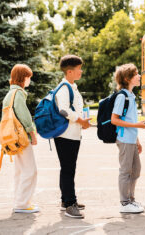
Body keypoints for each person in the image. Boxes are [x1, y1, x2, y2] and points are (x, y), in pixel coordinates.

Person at [54, 55, 91, 219]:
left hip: (72, 135)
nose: (81, 71)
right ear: (69, 71)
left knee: (68, 169)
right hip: (66, 135)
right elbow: (63, 110)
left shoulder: (72, 87)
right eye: (78, 69)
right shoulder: (64, 88)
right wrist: (81, 120)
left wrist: (82, 121)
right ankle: (70, 204)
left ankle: (66, 200)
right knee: (68, 170)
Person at [111, 64, 145, 213]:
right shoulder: (122, 96)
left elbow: (131, 119)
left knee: (136, 170)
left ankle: (131, 200)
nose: (139, 76)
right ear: (127, 78)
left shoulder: (131, 96)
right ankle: (124, 202)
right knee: (126, 170)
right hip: (124, 139)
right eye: (136, 74)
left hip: (131, 139)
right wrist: (137, 125)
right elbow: (114, 119)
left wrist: (137, 140)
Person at [1, 64, 39, 213]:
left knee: (20, 170)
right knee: (30, 170)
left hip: (12, 138)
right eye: (28, 77)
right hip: (21, 137)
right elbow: (24, 116)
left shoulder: (10, 94)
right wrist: (32, 134)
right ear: (23, 78)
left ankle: (20, 201)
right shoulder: (18, 93)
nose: (29, 80)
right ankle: (22, 204)